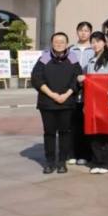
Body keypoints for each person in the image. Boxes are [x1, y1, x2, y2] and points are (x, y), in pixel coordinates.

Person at [31, 32, 83, 174]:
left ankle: (61, 162)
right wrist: (52, 95)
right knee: (49, 133)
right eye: (56, 41)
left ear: (67, 44)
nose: (59, 44)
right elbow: (36, 78)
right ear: (52, 43)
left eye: (62, 42)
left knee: (65, 133)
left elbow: (77, 78)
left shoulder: (72, 57)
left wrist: (66, 95)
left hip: (67, 102)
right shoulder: (45, 57)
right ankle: (50, 162)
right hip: (47, 102)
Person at [78, 31, 108, 174]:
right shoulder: (91, 61)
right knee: (94, 132)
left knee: (107, 133)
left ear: (104, 43)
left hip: (107, 102)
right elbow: (87, 85)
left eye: (98, 41)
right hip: (92, 102)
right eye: (93, 42)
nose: (95, 44)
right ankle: (97, 161)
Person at [67, 21, 95, 166]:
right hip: (72, 93)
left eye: (86, 30)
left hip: (89, 94)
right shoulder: (71, 51)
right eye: (81, 30)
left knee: (86, 125)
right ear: (77, 32)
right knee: (72, 125)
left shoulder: (94, 49)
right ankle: (72, 153)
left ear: (90, 33)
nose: (83, 33)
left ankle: (85, 154)